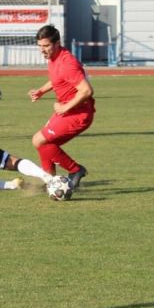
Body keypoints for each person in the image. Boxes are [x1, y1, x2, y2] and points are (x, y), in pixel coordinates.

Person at [28, 24, 94, 189]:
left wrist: (65, 108)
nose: (42, 50)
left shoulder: (68, 63)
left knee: (40, 141)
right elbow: (57, 79)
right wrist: (41, 91)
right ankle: (51, 181)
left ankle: (76, 170)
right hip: (67, 110)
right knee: (42, 142)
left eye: (46, 46)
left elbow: (86, 90)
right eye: (40, 46)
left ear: (57, 43)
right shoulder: (54, 58)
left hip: (78, 114)